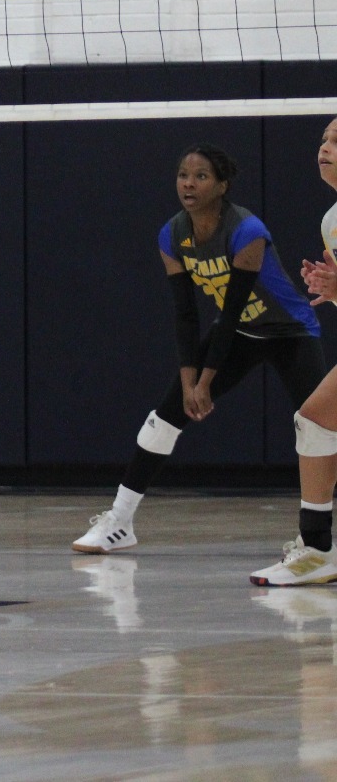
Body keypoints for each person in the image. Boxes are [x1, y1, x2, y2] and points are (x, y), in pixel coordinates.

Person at [70, 143, 325, 554]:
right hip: (240, 332)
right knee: (166, 416)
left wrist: (205, 383)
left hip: (289, 332)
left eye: (201, 176)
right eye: (183, 175)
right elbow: (186, 315)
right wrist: (189, 384)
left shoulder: (247, 231)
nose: (189, 183)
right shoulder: (172, 235)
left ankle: (317, 536)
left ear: (222, 185)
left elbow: (234, 306)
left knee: (320, 428)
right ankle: (119, 521)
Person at [254, 118, 337, 585]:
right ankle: (317, 549)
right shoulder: (332, 221)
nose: (324, 148)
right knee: (316, 420)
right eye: (323, 139)